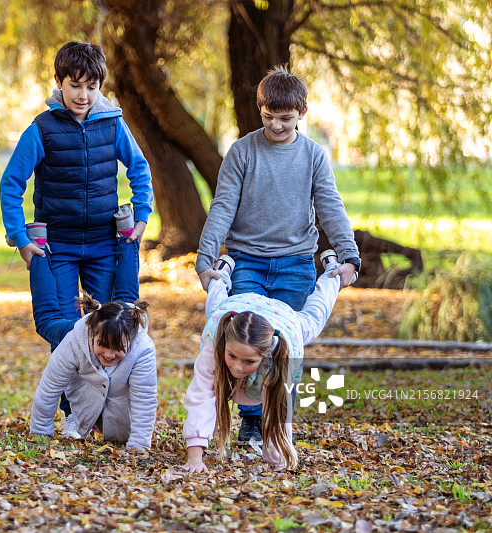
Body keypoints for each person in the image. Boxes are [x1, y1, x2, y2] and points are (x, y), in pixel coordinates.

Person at [194, 65, 360, 445]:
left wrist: (349, 256)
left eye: (286, 119)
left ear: (303, 113)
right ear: (260, 110)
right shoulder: (242, 152)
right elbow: (221, 208)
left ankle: (278, 426)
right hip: (247, 261)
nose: (278, 126)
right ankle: (252, 421)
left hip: (295, 265)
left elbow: (331, 207)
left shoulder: (313, 157)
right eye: (269, 118)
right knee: (249, 342)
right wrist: (205, 262)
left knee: (282, 347)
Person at [0, 40, 153, 324]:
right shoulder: (41, 130)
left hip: (103, 245)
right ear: (58, 81)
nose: (83, 95)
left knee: (105, 328)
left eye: (91, 87)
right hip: (58, 248)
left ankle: (100, 372)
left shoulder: (113, 124)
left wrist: (142, 215)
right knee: (65, 331)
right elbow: (11, 184)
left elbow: (139, 168)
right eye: (75, 85)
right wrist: (20, 239)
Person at [182, 252, 344, 471]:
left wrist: (279, 459)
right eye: (232, 356)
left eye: (249, 361)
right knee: (214, 305)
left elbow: (277, 408)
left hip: (284, 318)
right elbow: (201, 397)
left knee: (316, 314)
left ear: (265, 355)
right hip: (235, 307)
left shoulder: (282, 352)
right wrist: (194, 457)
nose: (238, 367)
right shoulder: (217, 337)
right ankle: (221, 272)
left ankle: (332, 273)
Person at [28, 234, 157, 450]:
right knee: (47, 320)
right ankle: (39, 247)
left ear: (130, 342)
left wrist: (138, 445)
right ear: (92, 333)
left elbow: (145, 400)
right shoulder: (75, 340)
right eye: (103, 346)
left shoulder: (141, 348)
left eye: (117, 350)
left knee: (127, 298)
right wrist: (41, 433)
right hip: (79, 331)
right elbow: (50, 387)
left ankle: (128, 237)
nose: (108, 354)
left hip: (121, 322)